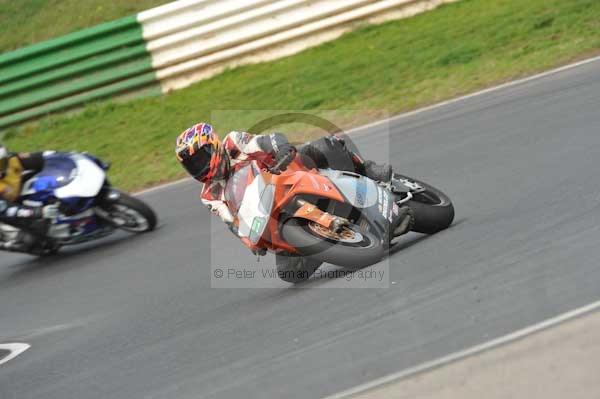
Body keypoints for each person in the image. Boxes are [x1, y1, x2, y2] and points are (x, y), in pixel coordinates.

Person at [175, 122, 413, 244]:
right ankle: (337, 236)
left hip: (289, 173)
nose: (200, 167)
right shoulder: (209, 195)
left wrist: (280, 149)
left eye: (202, 158)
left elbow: (266, 141)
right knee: (291, 272)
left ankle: (370, 172)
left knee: (321, 147)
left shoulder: (233, 143)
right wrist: (250, 240)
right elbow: (232, 222)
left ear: (214, 146)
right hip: (270, 213)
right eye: (193, 165)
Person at [0, 145, 58, 252]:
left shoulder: (14, 159)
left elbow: (43, 158)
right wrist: (37, 212)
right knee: (29, 240)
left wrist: (63, 157)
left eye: (2, 162)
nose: (2, 167)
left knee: (42, 183)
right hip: (5, 210)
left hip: (15, 197)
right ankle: (10, 240)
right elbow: (6, 210)